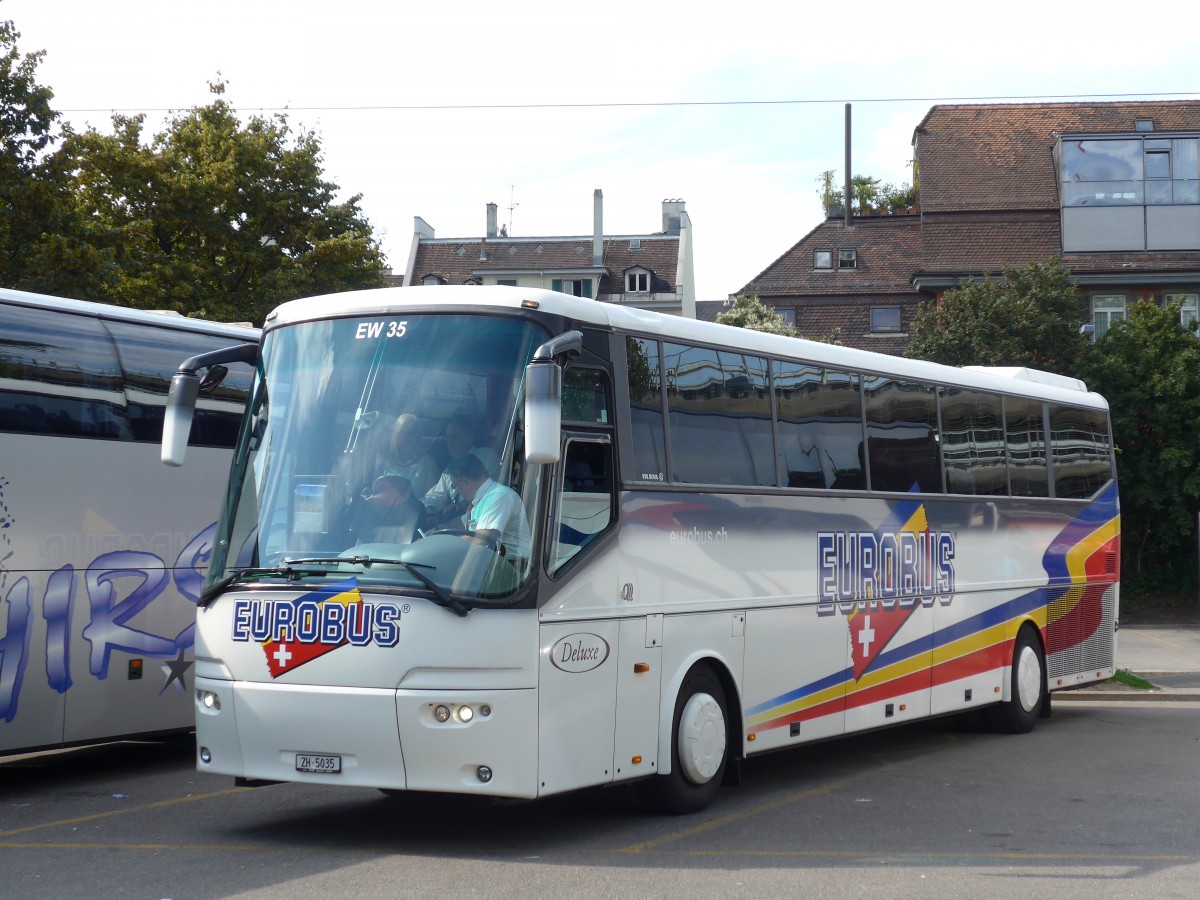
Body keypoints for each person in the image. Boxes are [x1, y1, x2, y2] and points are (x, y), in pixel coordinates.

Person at [445, 453, 531, 563]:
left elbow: (481, 541)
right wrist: (436, 530)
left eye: (454, 486)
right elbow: (461, 522)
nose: (456, 490)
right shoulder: (480, 499)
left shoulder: (499, 496)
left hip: (514, 567)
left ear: (466, 482)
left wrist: (442, 544)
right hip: (497, 563)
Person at [423, 415, 501, 526]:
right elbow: (436, 495)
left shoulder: (487, 456)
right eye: (448, 437)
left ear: (470, 437)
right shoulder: (450, 468)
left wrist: (462, 505)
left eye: (455, 437)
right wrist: (430, 509)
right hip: (455, 524)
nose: (450, 442)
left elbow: (485, 490)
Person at [380, 413, 439, 498]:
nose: (407, 436)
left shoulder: (427, 464)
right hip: (386, 511)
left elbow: (432, 499)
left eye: (411, 432)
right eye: (402, 432)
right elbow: (376, 495)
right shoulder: (385, 463)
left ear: (418, 436)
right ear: (396, 435)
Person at [352, 475, 422, 545]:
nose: (373, 497)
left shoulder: (415, 518)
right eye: (374, 491)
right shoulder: (364, 512)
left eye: (380, 490)